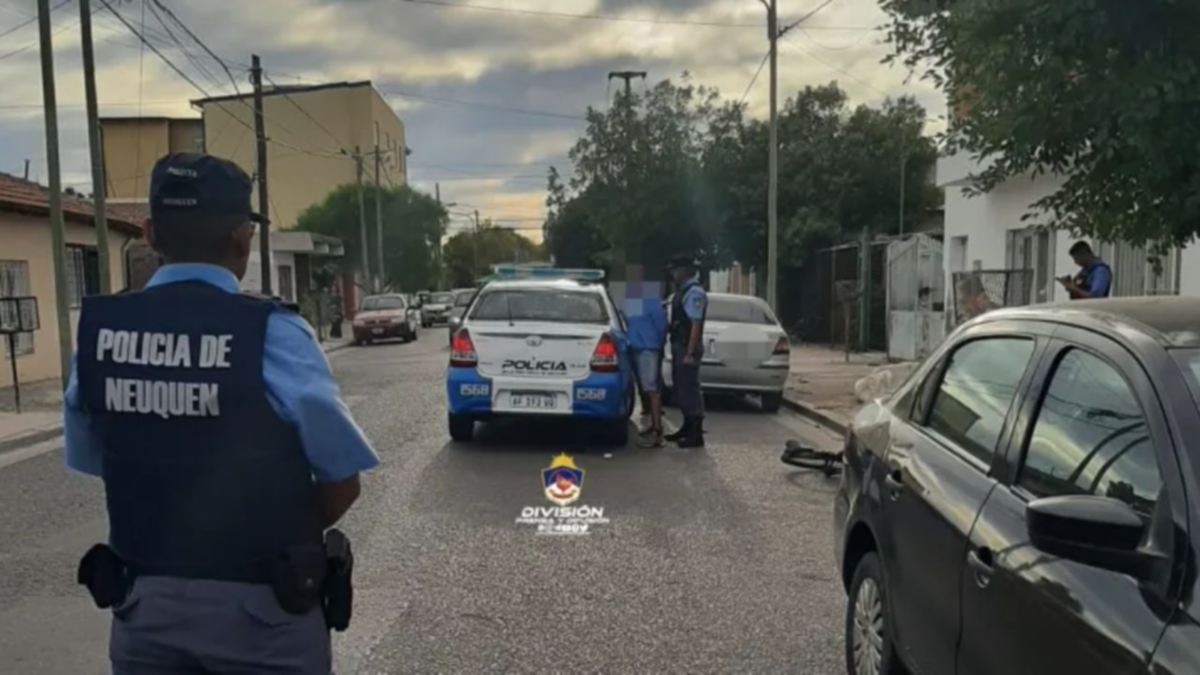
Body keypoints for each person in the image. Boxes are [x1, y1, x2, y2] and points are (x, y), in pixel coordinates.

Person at [64, 153, 378, 675]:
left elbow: (98, 458)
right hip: (262, 616)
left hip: (144, 612)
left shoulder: (100, 336)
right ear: (242, 238)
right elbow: (341, 481)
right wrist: (265, 535)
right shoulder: (273, 332)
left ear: (149, 233)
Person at [664, 255, 707, 449]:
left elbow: (695, 325)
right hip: (680, 344)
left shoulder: (694, 292)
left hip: (686, 346)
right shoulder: (683, 290)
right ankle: (687, 427)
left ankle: (695, 434)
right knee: (682, 388)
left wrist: (690, 353)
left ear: (684, 270)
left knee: (689, 389)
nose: (673, 273)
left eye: (675, 269)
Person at [624, 277, 669, 448]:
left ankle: (658, 431)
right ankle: (654, 426)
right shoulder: (631, 303)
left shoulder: (651, 303)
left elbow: (661, 327)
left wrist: (657, 345)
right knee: (645, 388)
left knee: (651, 389)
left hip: (648, 349)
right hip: (634, 348)